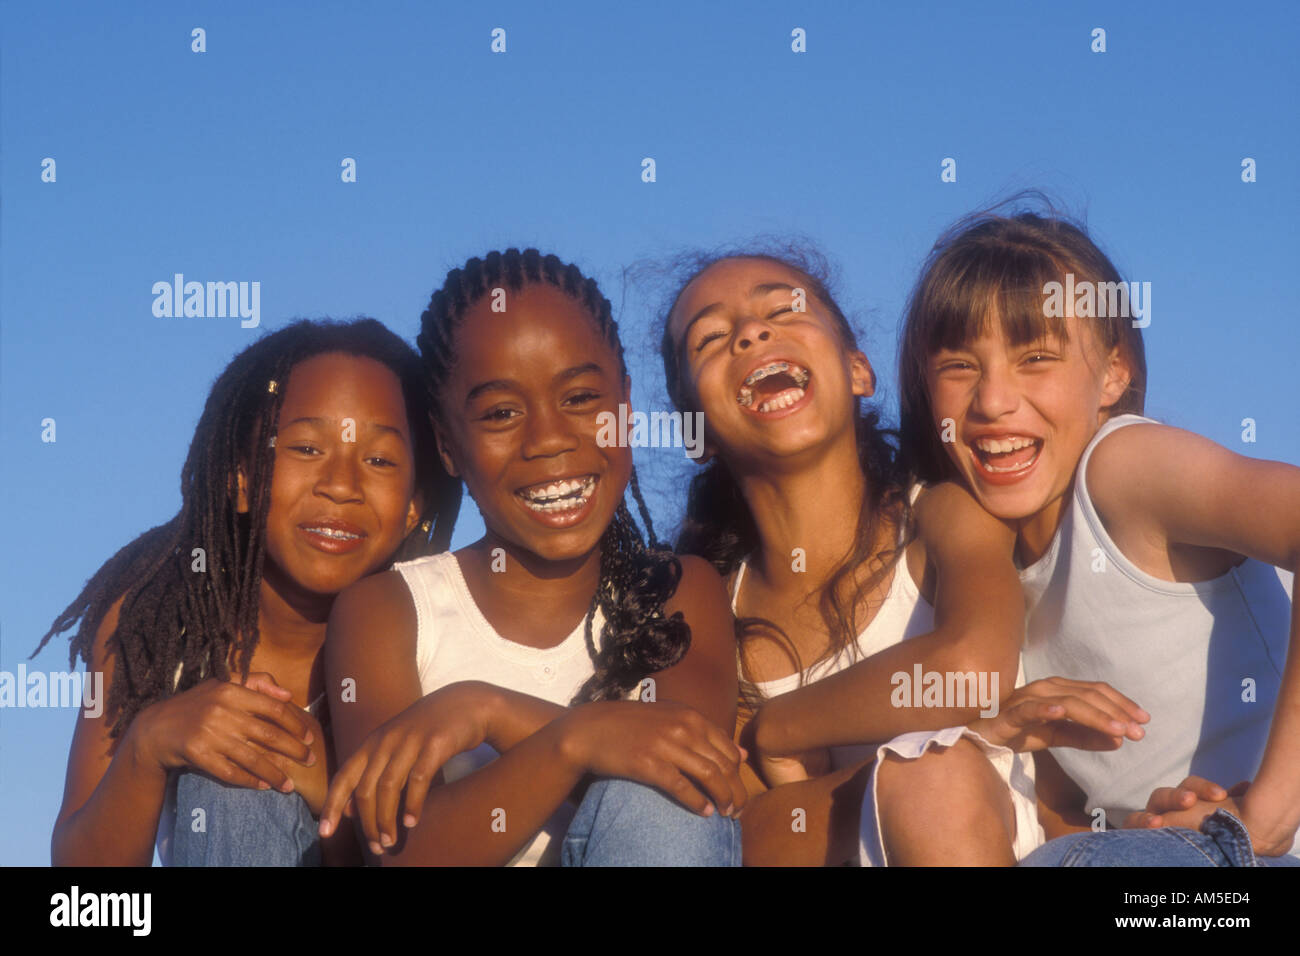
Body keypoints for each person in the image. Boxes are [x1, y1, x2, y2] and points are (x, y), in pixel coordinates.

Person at [879, 198, 1299, 866]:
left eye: (1036, 357)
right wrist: (1141, 826)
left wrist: (1269, 815)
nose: (992, 401)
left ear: (1112, 373)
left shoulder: (1121, 468)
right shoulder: (984, 566)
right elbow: (1067, 818)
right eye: (959, 366)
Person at [318, 249, 745, 866]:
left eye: (579, 398)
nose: (548, 438)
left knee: (660, 801)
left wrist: (486, 709)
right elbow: (400, 856)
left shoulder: (680, 589)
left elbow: (686, 766)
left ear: (625, 406)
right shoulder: (387, 610)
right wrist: (573, 741)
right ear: (446, 444)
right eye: (501, 413)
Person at [655, 244, 1068, 865]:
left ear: (858, 371)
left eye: (785, 310)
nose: (750, 333)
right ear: (699, 435)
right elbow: (748, 832)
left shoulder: (942, 516)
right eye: (710, 338)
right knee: (930, 770)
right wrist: (922, 755)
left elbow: (970, 674)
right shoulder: (716, 618)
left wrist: (781, 728)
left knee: (936, 778)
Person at [39, 319, 459, 866]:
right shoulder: (154, 622)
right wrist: (149, 744)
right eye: (307, 448)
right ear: (240, 477)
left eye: (379, 460)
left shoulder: (440, 625)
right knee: (232, 782)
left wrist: (326, 776)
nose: (341, 484)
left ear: (413, 507)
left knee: (251, 768)